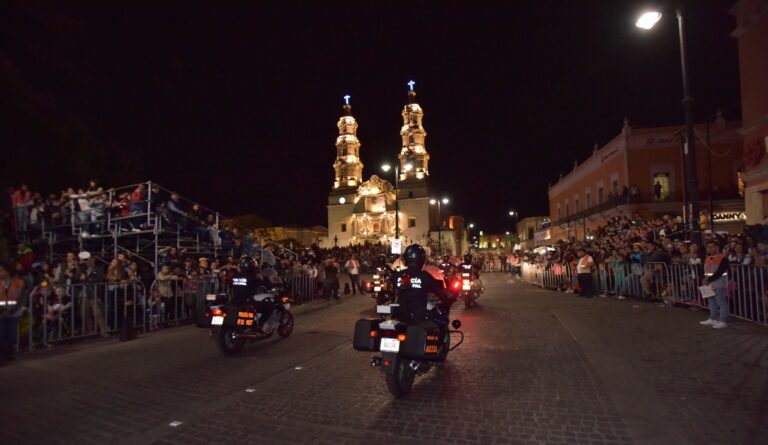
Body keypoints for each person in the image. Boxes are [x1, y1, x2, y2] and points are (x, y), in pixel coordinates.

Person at [392, 244, 454, 323]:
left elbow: (393, 293)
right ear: (422, 259)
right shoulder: (425, 276)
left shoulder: (398, 275)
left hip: (401, 317)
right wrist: (448, 297)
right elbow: (441, 293)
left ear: (406, 259)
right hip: (419, 318)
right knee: (439, 325)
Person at [700, 241, 730, 329]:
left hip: (718, 282)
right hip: (709, 283)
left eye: (712, 247)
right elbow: (705, 270)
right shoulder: (708, 258)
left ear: (717, 247)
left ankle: (723, 321)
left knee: (721, 302)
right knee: (711, 301)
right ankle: (713, 318)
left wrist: (708, 279)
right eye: (708, 247)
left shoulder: (723, 258)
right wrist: (704, 278)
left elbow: (720, 271)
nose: (710, 249)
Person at [0, 262, 25, 364]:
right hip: (1, 313)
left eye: (1, 270)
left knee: (11, 334)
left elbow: (21, 299)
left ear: (7, 271)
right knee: (1, 334)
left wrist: (12, 310)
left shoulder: (19, 282)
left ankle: (10, 354)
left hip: (13, 313)